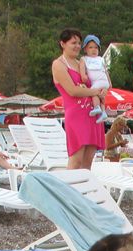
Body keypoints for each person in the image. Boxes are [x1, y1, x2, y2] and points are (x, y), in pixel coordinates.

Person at [51, 28, 105, 169]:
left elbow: (98, 80)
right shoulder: (58, 64)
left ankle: (85, 184)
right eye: (73, 43)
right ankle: (69, 184)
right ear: (63, 44)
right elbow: (72, 90)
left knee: (87, 163)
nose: (77, 46)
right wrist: (94, 92)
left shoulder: (83, 62)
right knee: (76, 160)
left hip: (93, 114)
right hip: (76, 115)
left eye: (79, 43)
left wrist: (102, 90)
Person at [81, 34, 110, 124]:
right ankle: (103, 112)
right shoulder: (90, 59)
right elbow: (106, 72)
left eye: (96, 48)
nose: (94, 50)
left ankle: (97, 107)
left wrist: (84, 77)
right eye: (91, 47)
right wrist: (109, 84)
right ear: (85, 49)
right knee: (101, 96)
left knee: (93, 92)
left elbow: (105, 71)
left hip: (99, 81)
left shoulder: (87, 59)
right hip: (104, 82)